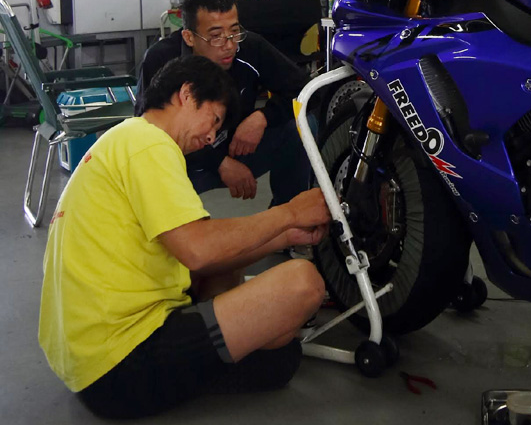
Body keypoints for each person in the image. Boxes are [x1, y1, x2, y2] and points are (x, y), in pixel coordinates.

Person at [39, 55, 331, 419]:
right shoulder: (149, 143)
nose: (211, 137)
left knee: (233, 276)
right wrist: (290, 213)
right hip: (119, 365)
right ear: (187, 94)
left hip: (85, 361)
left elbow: (206, 254)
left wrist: (285, 235)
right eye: (214, 119)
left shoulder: (124, 139)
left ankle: (225, 352)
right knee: (302, 286)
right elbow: (199, 250)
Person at [135, 0, 311, 203]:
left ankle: (291, 214)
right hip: (187, 161)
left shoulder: (250, 47)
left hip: (239, 146)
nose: (229, 45)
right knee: (150, 170)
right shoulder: (161, 60)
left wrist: (262, 117)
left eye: (234, 31)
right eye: (216, 36)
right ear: (189, 37)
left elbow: (305, 89)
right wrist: (219, 162)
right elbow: (149, 127)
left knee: (301, 124)